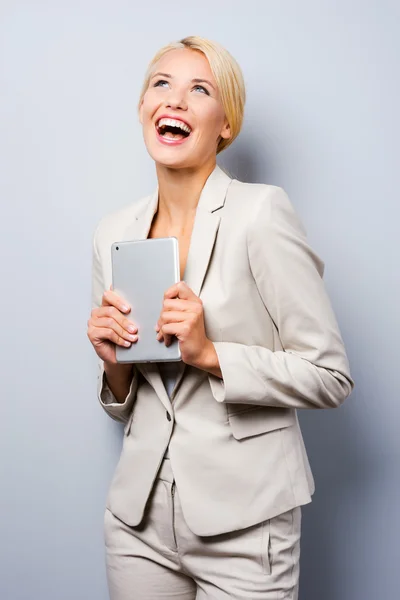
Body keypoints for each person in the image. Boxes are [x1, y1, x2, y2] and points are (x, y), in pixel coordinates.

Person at [87, 35, 354, 600]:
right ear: (143, 108)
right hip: (138, 525)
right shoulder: (113, 232)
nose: (175, 100)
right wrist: (112, 365)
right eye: (162, 84)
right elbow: (125, 404)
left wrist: (209, 353)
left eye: (199, 90)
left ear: (225, 123)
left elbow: (330, 376)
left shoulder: (261, 214)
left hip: (247, 524)